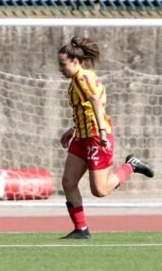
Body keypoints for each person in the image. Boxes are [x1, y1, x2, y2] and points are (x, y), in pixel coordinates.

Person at [57, 37, 154, 239]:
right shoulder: (79, 79)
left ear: (75, 62)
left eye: (63, 64)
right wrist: (74, 128)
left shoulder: (82, 79)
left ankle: (131, 166)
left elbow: (95, 102)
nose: (60, 69)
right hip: (82, 136)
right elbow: (86, 108)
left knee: (99, 190)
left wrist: (101, 132)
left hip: (94, 137)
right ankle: (81, 229)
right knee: (68, 181)